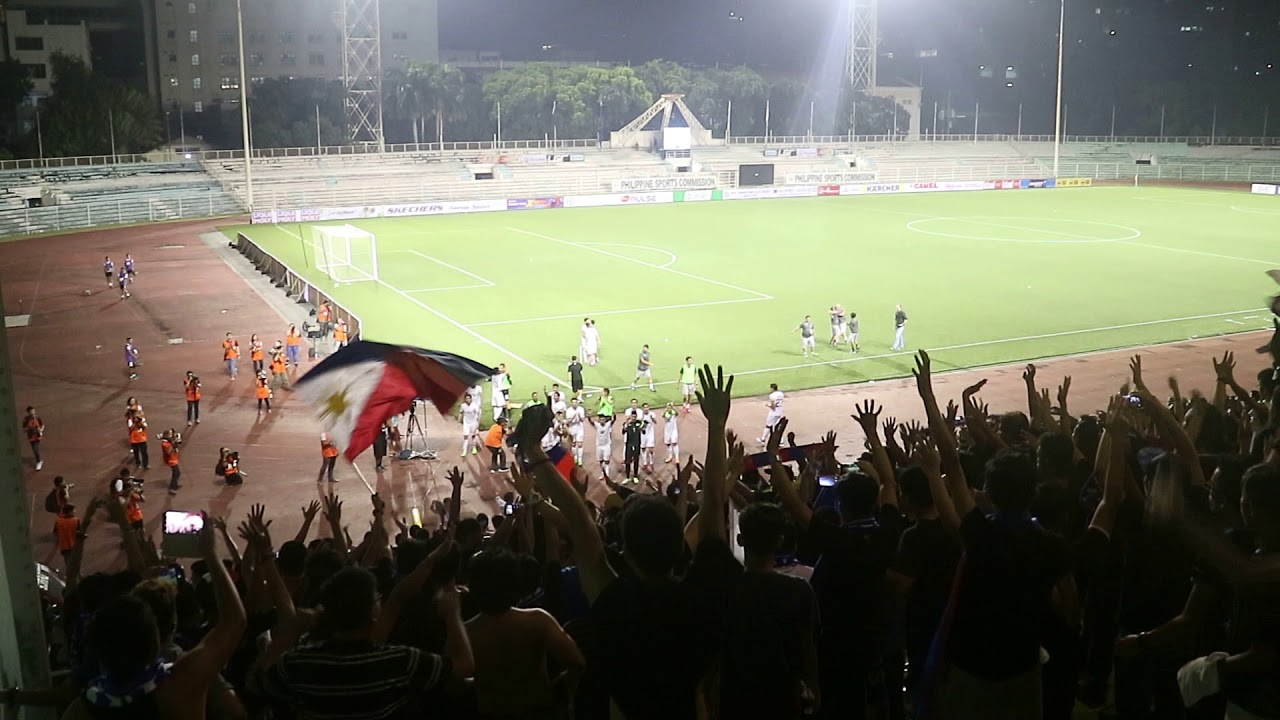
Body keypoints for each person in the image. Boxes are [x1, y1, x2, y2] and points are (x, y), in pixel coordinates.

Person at [58, 512, 247, 720]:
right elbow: (234, 621)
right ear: (155, 640)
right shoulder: (180, 683)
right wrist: (211, 555)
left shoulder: (81, 709)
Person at [250, 565, 473, 720]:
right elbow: (465, 666)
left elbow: (254, 684)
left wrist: (287, 634)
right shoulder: (400, 660)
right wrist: (453, 614)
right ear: (373, 613)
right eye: (376, 598)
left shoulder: (297, 663)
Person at [721, 502, 821, 720]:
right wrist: (813, 690)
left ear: (740, 540)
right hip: (785, 698)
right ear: (780, 541)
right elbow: (808, 648)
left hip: (738, 700)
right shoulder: (800, 590)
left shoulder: (727, 591)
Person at [466, 548, 586, 718]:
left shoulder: (465, 633)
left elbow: (452, 683)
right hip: (539, 710)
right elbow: (577, 663)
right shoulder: (537, 620)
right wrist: (559, 688)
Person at [54, 503, 80, 568]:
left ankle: (70, 575)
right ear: (70, 511)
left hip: (64, 545)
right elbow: (79, 532)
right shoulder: (76, 520)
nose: (75, 512)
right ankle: (77, 575)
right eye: (74, 510)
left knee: (68, 562)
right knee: (76, 561)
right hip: (75, 544)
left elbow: (55, 533)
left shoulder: (58, 521)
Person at [622, 411, 644, 482]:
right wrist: (627, 423)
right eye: (632, 416)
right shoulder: (627, 424)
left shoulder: (639, 423)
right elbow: (623, 431)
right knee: (627, 461)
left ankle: (635, 476)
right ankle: (627, 477)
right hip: (629, 444)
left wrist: (642, 425)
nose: (633, 418)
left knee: (636, 460)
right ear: (630, 417)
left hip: (637, 444)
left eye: (635, 416)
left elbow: (643, 431)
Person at [460, 392, 482, 458]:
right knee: (465, 437)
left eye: (469, 398)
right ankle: (464, 450)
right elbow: (461, 413)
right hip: (466, 423)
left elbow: (478, 414)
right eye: (466, 399)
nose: (468, 400)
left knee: (473, 436)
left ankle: (474, 448)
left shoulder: (475, 406)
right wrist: (459, 420)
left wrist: (478, 423)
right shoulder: (463, 406)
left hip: (473, 423)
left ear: (471, 399)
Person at [160, 430, 182, 494]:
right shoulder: (164, 444)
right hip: (170, 460)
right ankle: (172, 488)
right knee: (176, 473)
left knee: (176, 473)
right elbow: (168, 452)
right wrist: (172, 444)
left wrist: (175, 443)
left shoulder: (169, 442)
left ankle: (175, 485)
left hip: (174, 458)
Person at [593, 412, 614, 479]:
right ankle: (603, 473)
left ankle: (607, 473)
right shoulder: (597, 425)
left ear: (605, 420)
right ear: (599, 420)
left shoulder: (608, 424)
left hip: (607, 445)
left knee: (606, 460)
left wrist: (614, 414)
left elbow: (614, 420)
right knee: (601, 460)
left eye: (603, 419)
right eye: (601, 419)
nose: (602, 421)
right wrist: (589, 415)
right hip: (599, 445)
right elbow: (590, 421)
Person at [566, 397, 587, 465]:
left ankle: (580, 459)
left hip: (579, 428)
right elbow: (568, 421)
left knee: (580, 444)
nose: (574, 404)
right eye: (573, 402)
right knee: (574, 444)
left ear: (577, 403)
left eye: (575, 402)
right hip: (572, 428)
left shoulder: (581, 409)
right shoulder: (568, 410)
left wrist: (580, 416)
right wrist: (574, 416)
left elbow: (583, 420)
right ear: (571, 403)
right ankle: (575, 458)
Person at [23, 405, 44, 471]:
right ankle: (39, 460)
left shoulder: (37, 418)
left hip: (38, 436)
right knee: (34, 450)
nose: (33, 412)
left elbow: (42, 425)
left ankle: (39, 462)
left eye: (34, 411)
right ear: (28, 412)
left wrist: (41, 430)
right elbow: (24, 429)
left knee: (35, 449)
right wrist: (29, 428)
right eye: (31, 411)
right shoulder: (26, 420)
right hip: (31, 437)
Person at [640, 402, 658, 473]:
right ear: (643, 409)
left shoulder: (652, 414)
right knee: (643, 449)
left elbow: (655, 422)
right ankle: (645, 463)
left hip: (650, 435)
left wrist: (652, 419)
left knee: (651, 449)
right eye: (644, 407)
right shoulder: (640, 416)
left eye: (647, 407)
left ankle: (651, 462)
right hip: (643, 435)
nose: (646, 409)